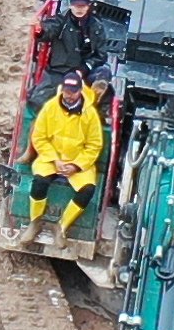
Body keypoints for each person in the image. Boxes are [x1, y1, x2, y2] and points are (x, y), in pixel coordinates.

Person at [23, 72, 111, 238]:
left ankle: (62, 227)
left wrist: (75, 166)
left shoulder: (90, 114)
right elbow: (39, 137)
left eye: (73, 92)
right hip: (51, 159)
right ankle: (35, 223)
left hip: (78, 163)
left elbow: (94, 145)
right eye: (67, 91)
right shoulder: (50, 107)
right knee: (40, 181)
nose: (69, 95)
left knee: (87, 190)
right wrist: (55, 159)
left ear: (80, 91)